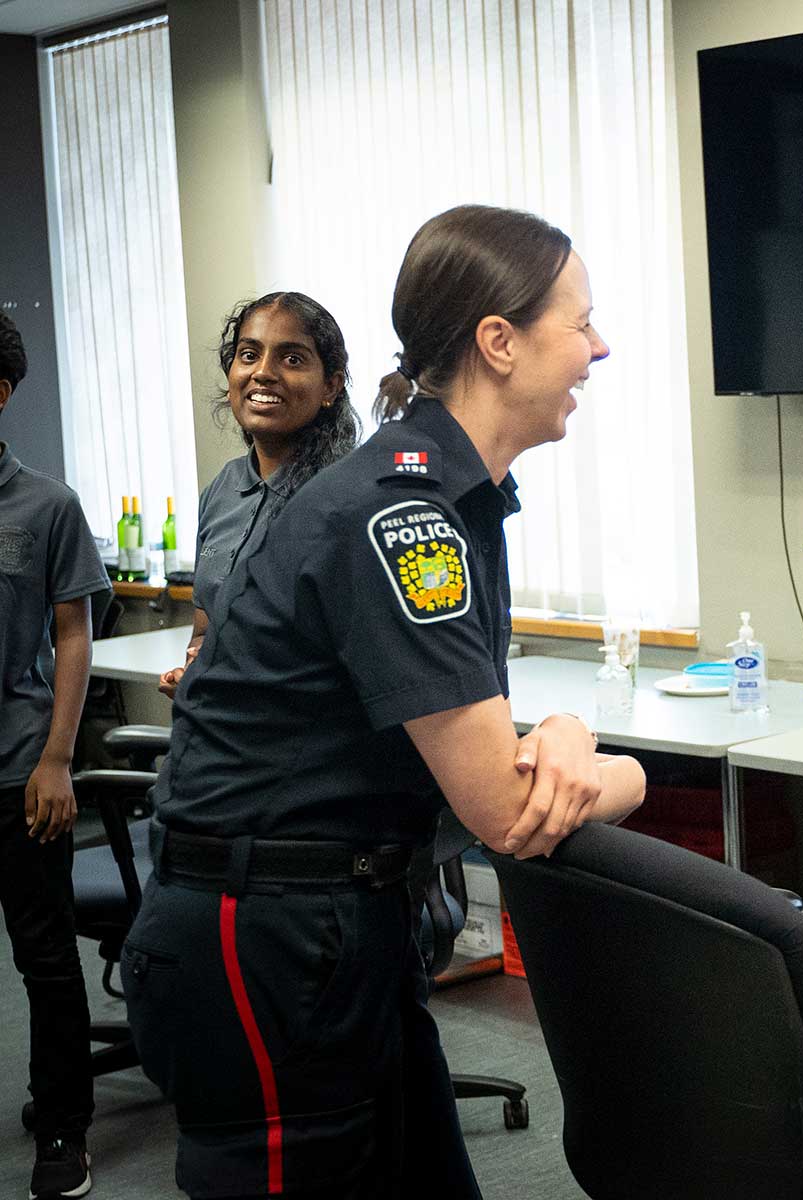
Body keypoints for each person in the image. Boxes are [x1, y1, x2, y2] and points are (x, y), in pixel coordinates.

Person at [123, 205, 649, 1198]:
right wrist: (617, 765)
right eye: (581, 322)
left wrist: (559, 734)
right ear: (499, 342)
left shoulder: (446, 498)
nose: (600, 346)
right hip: (263, 940)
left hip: (348, 923)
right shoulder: (400, 515)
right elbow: (505, 809)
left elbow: (469, 758)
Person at [0, 310, 111, 1198]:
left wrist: (57, 759)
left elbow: (74, 635)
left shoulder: (47, 506)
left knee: (43, 957)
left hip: (19, 767)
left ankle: (65, 1127)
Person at [158, 292, 359, 697]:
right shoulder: (222, 489)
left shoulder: (349, 498)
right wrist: (195, 669)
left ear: (331, 386)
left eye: (292, 359)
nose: (263, 373)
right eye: (249, 355)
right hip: (221, 727)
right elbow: (205, 629)